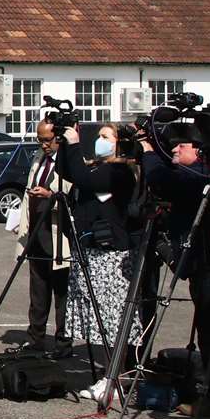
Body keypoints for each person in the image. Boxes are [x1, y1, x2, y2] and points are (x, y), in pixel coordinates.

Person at [142, 128, 210, 416]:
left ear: (198, 150)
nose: (173, 149)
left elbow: (160, 180)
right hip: (206, 262)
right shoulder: (195, 173)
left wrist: (148, 151)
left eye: (179, 145)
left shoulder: (198, 176)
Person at [58, 122, 144, 367]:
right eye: (98, 136)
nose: (99, 141)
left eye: (105, 136)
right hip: (90, 248)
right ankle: (108, 371)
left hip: (112, 254)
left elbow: (85, 180)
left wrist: (74, 145)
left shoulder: (120, 172)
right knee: (98, 318)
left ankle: (114, 375)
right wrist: (65, 146)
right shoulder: (96, 167)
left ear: (121, 144)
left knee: (111, 317)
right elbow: (68, 172)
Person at [19, 120, 73, 356]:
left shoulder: (69, 160)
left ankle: (63, 342)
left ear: (58, 138)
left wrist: (50, 195)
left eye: (47, 140)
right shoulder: (39, 158)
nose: (44, 144)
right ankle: (35, 338)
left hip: (57, 233)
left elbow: (72, 193)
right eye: (39, 139)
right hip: (36, 233)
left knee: (62, 293)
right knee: (37, 291)